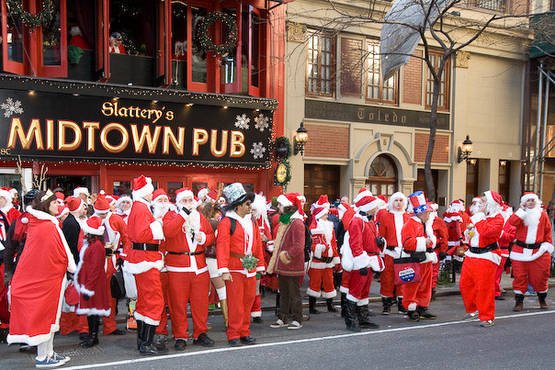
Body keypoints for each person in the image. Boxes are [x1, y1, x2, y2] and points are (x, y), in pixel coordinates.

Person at [7, 190, 76, 368]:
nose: (57, 205)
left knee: (50, 318)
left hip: (48, 279)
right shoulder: (46, 226)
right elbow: (60, 253)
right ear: (45, 205)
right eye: (54, 203)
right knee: (46, 318)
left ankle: (49, 352)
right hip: (47, 281)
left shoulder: (42, 224)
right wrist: (71, 267)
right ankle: (43, 356)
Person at [162, 187, 216, 350]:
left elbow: (212, 237)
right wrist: (183, 214)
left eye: (189, 201)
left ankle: (200, 333)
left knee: (200, 303)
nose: (187, 204)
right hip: (177, 267)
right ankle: (180, 335)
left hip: (199, 266)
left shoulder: (199, 217)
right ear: (178, 203)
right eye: (184, 201)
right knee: (177, 304)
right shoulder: (171, 216)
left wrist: (204, 238)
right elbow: (169, 232)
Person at [216, 183, 265, 347]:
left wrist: (259, 265)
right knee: (235, 303)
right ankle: (233, 334)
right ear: (238, 206)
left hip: (250, 266)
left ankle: (244, 331)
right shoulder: (226, 223)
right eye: (247, 204)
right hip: (234, 267)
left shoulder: (251, 221)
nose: (250, 207)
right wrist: (224, 270)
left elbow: (257, 244)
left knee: (248, 300)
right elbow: (222, 247)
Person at [123, 175, 166, 355]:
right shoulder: (141, 208)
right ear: (145, 192)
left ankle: (143, 340)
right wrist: (157, 225)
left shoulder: (138, 207)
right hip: (146, 260)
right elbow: (141, 235)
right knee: (154, 301)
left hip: (142, 260)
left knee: (145, 301)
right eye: (150, 191)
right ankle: (146, 343)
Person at [459, 191, 504, 327]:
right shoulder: (480, 217)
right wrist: (468, 234)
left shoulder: (498, 218)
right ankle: (474, 309)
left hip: (487, 256)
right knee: (465, 285)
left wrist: (478, 219)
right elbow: (474, 235)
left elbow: (488, 232)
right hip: (472, 254)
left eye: (484, 201)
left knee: (484, 287)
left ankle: (487, 316)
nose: (480, 203)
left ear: (491, 204)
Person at [342, 188, 383, 331]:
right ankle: (351, 319)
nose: (377, 208)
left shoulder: (371, 221)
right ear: (369, 208)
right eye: (375, 206)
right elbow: (356, 244)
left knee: (364, 291)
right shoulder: (357, 222)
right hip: (362, 261)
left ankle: (363, 318)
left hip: (370, 259)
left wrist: (379, 243)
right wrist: (361, 263)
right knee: (355, 290)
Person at [508, 192, 554, 311]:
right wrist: (521, 210)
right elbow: (512, 222)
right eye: (528, 200)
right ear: (524, 202)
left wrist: (547, 246)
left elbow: (548, 231)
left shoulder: (543, 215)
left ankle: (542, 299)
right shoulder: (520, 214)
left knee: (540, 277)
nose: (530, 202)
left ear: (536, 202)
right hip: (520, 251)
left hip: (538, 251)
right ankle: (519, 302)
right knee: (519, 277)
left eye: (533, 200)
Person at [268, 193, 306, 330]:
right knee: (283, 293)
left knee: (294, 294)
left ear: (289, 206)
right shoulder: (286, 221)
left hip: (292, 265)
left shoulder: (297, 223)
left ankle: (297, 319)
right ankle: (282, 318)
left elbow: (298, 246)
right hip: (284, 264)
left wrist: (287, 255)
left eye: (280, 205)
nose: (278, 207)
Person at [94, 195, 129, 336]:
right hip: (95, 261)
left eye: (105, 213)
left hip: (112, 260)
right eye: (100, 214)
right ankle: (89, 329)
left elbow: (128, 238)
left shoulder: (116, 219)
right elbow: (82, 243)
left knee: (110, 295)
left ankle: (110, 326)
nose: (103, 216)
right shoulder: (91, 221)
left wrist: (123, 256)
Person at [400, 191, 437, 322]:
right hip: (414, 260)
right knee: (412, 285)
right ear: (421, 213)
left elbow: (432, 241)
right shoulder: (410, 224)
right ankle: (411, 308)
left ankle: (422, 306)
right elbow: (407, 243)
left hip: (425, 259)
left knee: (425, 285)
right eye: (428, 212)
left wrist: (428, 242)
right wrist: (423, 242)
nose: (429, 214)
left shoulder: (425, 224)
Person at [74, 216, 111, 348]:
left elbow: (95, 269)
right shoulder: (92, 244)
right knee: (91, 311)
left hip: (93, 283)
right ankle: (92, 335)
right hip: (90, 281)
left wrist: (88, 288)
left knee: (93, 311)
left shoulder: (96, 246)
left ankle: (93, 336)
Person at [376, 192, 409, 314]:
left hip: (404, 253)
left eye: (401, 200)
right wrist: (383, 247)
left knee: (403, 278)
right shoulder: (385, 216)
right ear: (392, 202)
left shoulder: (408, 217)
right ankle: (387, 304)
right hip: (390, 252)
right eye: (396, 200)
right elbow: (381, 234)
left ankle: (402, 304)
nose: (399, 203)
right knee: (387, 279)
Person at [307, 204, 339, 314]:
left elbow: (333, 243)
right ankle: (312, 307)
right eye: (325, 214)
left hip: (328, 260)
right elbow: (313, 245)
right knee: (315, 283)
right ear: (319, 216)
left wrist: (334, 257)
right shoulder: (313, 228)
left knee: (329, 282)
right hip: (317, 260)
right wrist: (321, 253)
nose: (327, 216)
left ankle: (330, 305)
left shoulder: (330, 227)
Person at [250, 193, 274, 323]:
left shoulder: (263, 222)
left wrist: (266, 239)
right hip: (244, 261)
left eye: (254, 209)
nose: (252, 212)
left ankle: (256, 313)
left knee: (255, 288)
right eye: (251, 209)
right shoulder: (244, 221)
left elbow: (270, 242)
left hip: (258, 260)